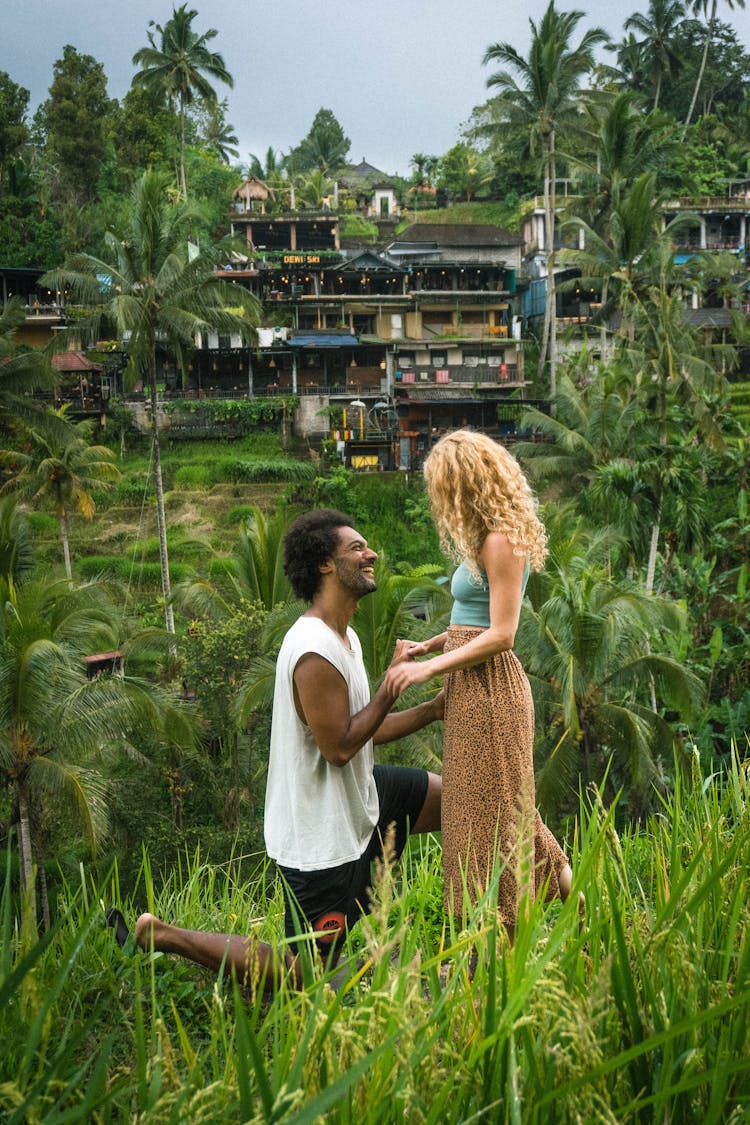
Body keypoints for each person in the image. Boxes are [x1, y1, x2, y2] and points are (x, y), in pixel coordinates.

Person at [116, 509, 443, 990]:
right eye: (356, 548)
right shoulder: (313, 648)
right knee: (306, 977)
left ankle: (490, 924)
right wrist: (392, 686)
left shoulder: (345, 636)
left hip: (360, 800)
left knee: (459, 801)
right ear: (325, 565)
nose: (370, 553)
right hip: (321, 839)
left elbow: (361, 729)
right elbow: (338, 747)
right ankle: (160, 935)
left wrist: (432, 710)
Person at [383, 431, 573, 942]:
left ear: (465, 482)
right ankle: (550, 896)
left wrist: (428, 671)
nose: (437, 500)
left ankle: (508, 930)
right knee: (486, 808)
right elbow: (473, 621)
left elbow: (503, 634)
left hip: (492, 690)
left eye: (442, 487)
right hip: (470, 688)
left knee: (495, 814)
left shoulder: (501, 540)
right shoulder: (484, 538)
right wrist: (432, 645)